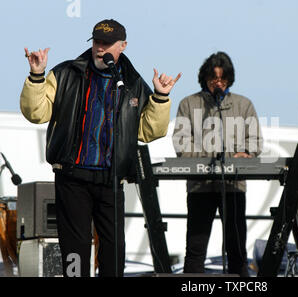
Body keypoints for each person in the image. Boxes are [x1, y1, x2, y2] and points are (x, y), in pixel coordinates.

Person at [20, 19, 181, 277]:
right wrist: (37, 76)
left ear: (123, 46)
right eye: (96, 42)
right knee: (76, 250)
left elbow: (148, 131)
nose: (100, 49)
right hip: (72, 176)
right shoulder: (65, 73)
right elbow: (36, 113)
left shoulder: (132, 83)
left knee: (114, 249)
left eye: (107, 44)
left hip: (111, 179)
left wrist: (160, 97)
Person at [172, 52, 263, 276]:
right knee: (195, 247)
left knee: (236, 248)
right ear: (205, 78)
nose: (218, 83)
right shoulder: (188, 104)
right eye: (214, 79)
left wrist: (244, 154)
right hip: (199, 186)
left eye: (222, 79)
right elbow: (181, 143)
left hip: (233, 186)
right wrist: (210, 156)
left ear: (229, 79)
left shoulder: (244, 105)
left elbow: (256, 141)